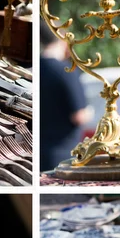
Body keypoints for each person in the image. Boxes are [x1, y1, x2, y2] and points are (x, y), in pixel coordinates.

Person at [40, 21, 93, 171]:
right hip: (64, 155)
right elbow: (79, 115)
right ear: (63, 38)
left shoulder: (35, 67)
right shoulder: (67, 71)